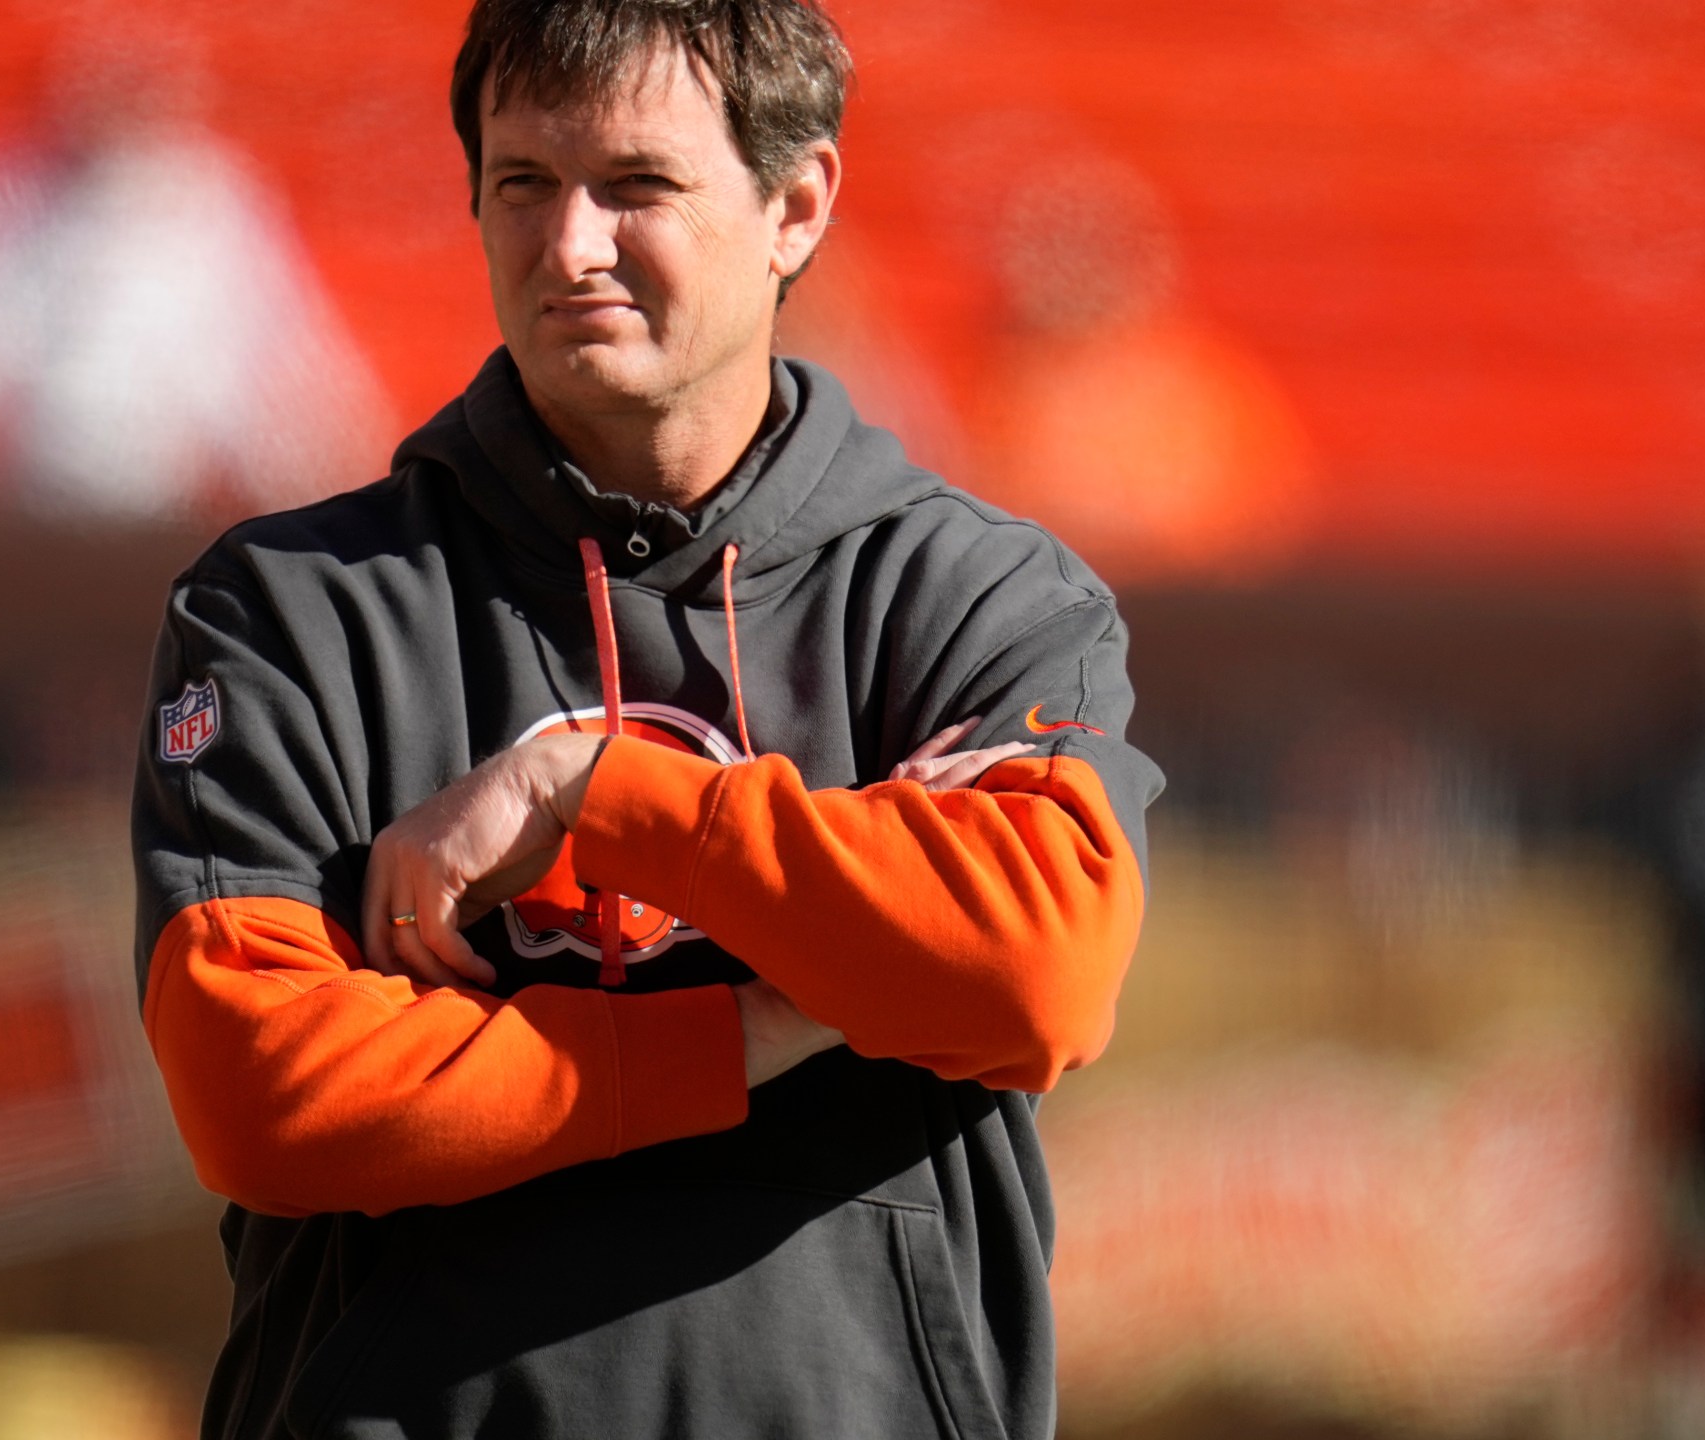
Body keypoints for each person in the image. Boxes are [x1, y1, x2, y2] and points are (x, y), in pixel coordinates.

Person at [131, 2, 1162, 1434]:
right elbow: (263, 1091)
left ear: (795, 207)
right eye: (523, 186)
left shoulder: (978, 595)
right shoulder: (290, 608)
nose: (571, 249)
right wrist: (759, 1028)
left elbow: (1031, 976)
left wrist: (591, 793)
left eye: (637, 186)